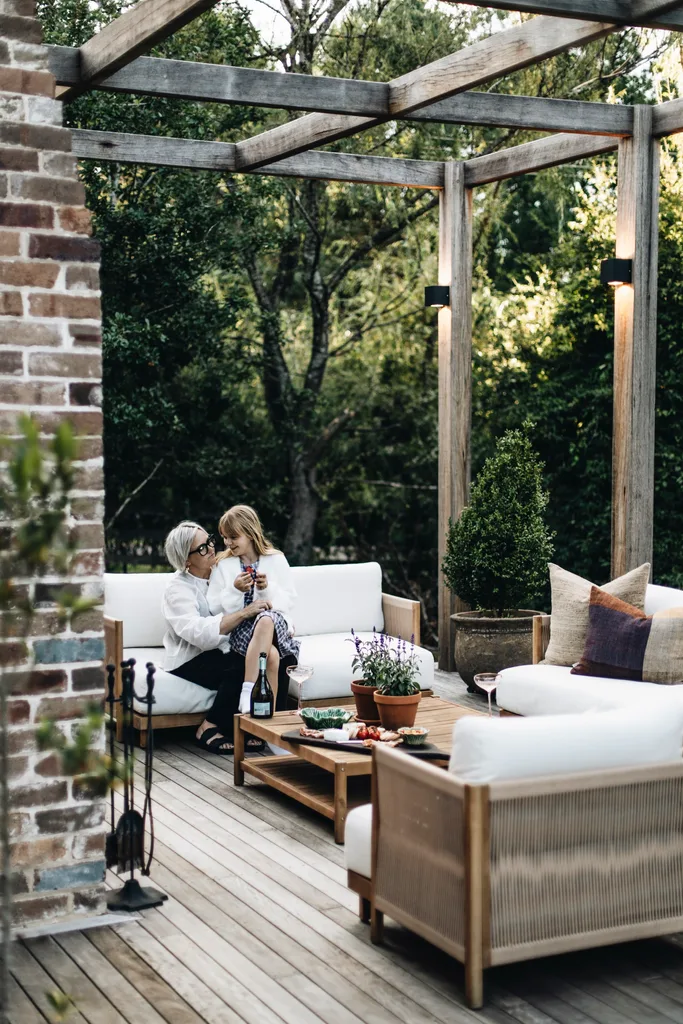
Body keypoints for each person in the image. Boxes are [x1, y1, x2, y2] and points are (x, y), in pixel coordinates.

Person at [162, 520, 272, 754]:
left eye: (210, 541)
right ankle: (209, 725)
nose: (212, 548)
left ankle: (264, 726)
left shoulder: (222, 571)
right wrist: (244, 613)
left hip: (223, 647)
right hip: (190, 656)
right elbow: (198, 634)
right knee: (239, 667)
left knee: (269, 659)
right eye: (202, 548)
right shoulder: (177, 589)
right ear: (185, 560)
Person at [207, 505, 299, 714]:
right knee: (272, 657)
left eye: (233, 537)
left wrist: (267, 589)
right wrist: (235, 590)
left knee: (266, 619)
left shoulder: (276, 559)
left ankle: (248, 691)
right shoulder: (224, 564)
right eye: (225, 537)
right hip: (243, 629)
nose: (228, 543)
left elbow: (289, 599)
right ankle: (269, 725)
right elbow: (214, 606)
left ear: (250, 533)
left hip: (275, 626)